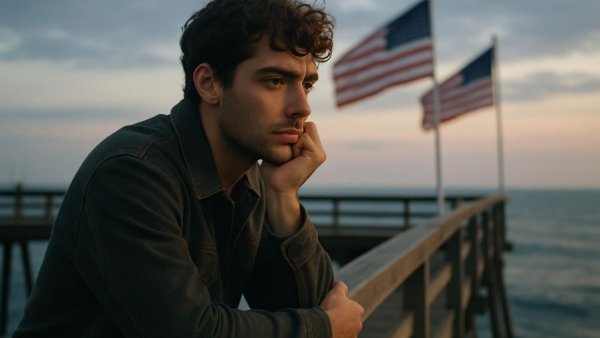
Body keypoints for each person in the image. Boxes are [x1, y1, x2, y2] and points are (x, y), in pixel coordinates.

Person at [14, 0, 364, 337]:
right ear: (209, 84)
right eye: (274, 81)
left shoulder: (252, 180)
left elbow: (312, 306)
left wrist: (284, 196)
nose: (301, 107)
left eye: (306, 85)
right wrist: (323, 329)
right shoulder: (131, 173)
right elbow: (189, 331)